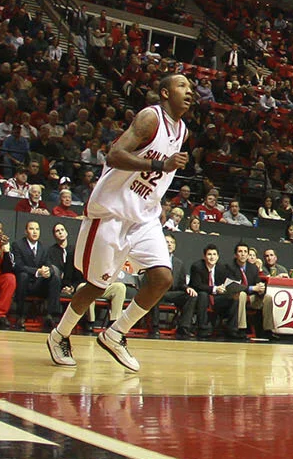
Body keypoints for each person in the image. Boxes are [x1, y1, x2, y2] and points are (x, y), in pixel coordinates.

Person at [46, 73, 194, 372]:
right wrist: (157, 164)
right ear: (165, 93)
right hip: (112, 212)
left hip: (144, 217)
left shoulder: (183, 132)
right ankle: (59, 334)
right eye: (182, 86)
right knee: (97, 285)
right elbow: (114, 155)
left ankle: (115, 333)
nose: (189, 91)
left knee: (162, 279)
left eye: (191, 87)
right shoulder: (150, 118)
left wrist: (157, 202)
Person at [11, 219, 62, 329]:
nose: (35, 232)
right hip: (25, 282)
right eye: (31, 229)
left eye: (37, 229)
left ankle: (50, 316)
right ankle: (20, 316)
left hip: (40, 284)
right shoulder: (18, 245)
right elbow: (18, 266)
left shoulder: (43, 248)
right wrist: (37, 271)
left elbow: (48, 263)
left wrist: (47, 270)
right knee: (23, 275)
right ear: (26, 231)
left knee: (54, 277)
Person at [156, 233, 205, 338]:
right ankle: (154, 327)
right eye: (167, 242)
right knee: (153, 296)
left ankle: (183, 328)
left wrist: (188, 288)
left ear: (175, 246)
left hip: (172, 292)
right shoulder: (155, 259)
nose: (169, 245)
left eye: (172, 243)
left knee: (191, 296)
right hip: (157, 291)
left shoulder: (179, 263)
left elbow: (182, 283)